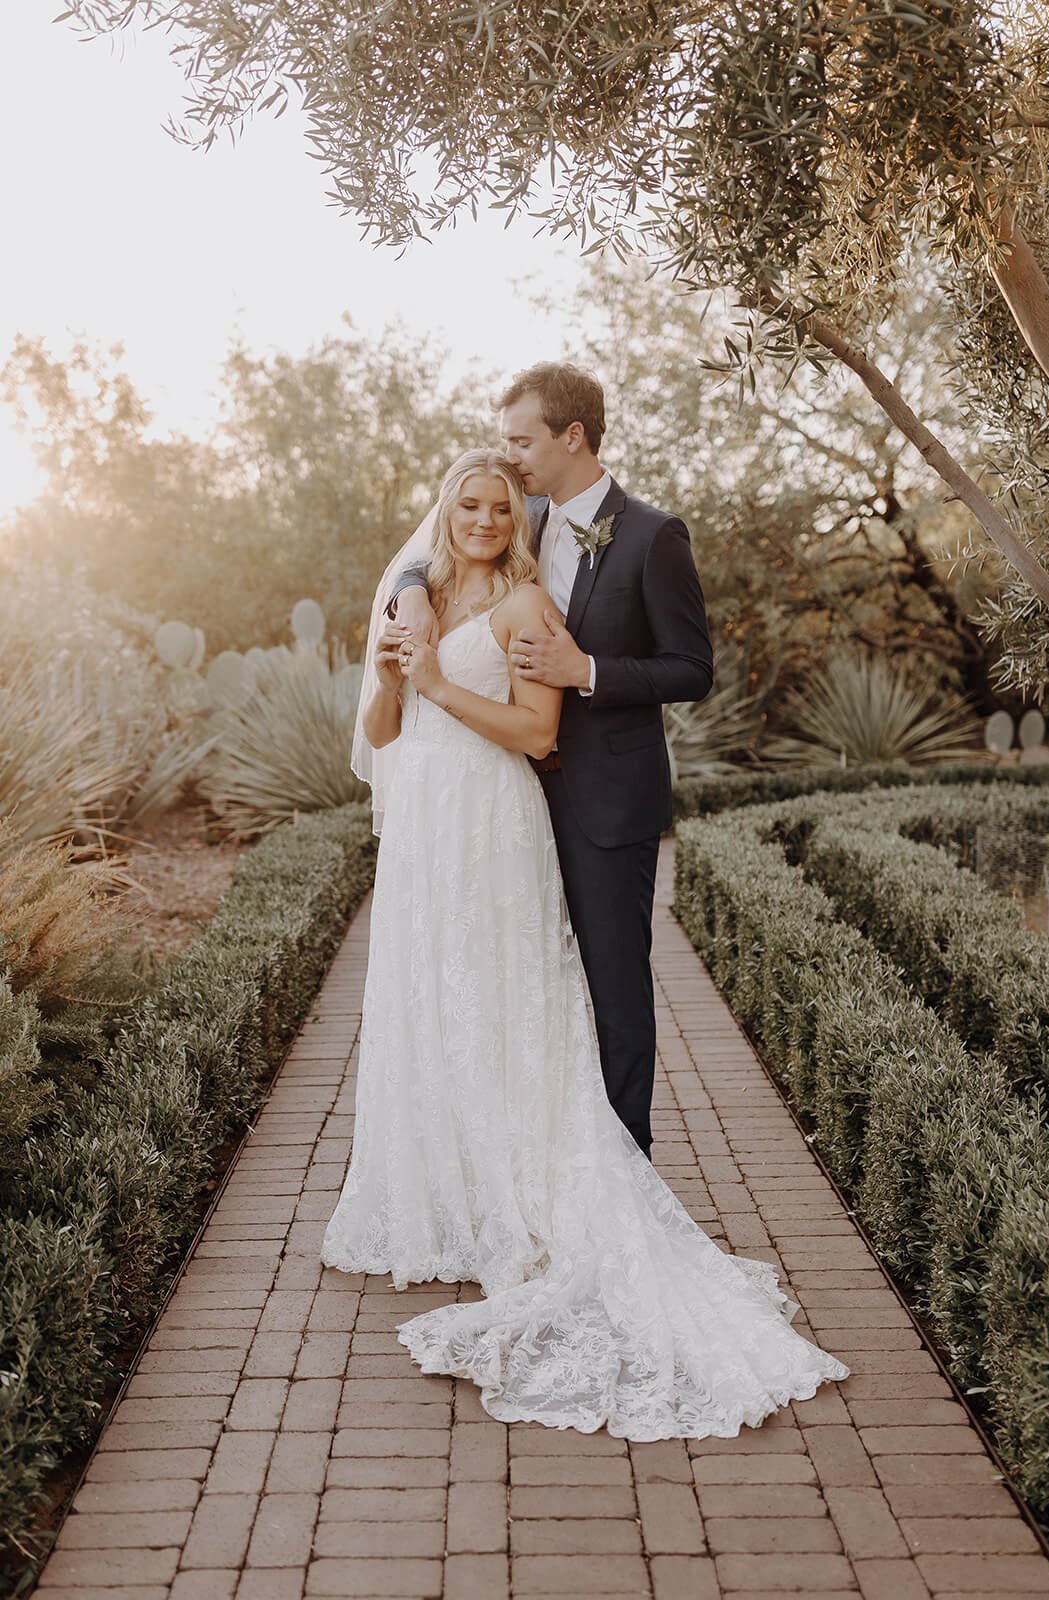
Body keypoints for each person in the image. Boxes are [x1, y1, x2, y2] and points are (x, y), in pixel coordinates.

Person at [320, 446, 848, 1440]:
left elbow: (534, 735)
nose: (482, 517)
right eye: (466, 503)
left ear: (514, 516)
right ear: (443, 508)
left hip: (490, 816)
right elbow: (382, 733)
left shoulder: (524, 607)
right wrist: (397, 671)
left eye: (495, 505)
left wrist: (430, 678)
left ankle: (521, 1192)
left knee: (506, 995)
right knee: (428, 994)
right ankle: (439, 1189)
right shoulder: (413, 593)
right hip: (425, 826)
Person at [389, 363, 714, 1159]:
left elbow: (690, 669)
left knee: (613, 987)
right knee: (519, 982)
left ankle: (626, 1167)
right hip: (508, 795)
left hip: (606, 800)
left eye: (520, 439)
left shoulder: (649, 534)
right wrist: (414, 595)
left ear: (572, 436)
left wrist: (588, 673)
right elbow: (431, 549)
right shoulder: (515, 513)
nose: (509, 455)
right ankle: (532, 1158)